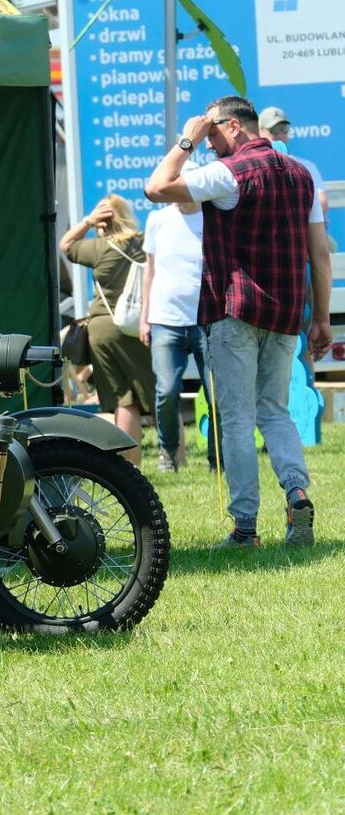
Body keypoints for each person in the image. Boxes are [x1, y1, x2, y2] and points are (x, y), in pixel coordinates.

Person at [145, 96, 332, 549]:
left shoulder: (228, 173)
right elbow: (320, 253)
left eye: (214, 135)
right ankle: (296, 491)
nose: (210, 146)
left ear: (232, 127)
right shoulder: (301, 175)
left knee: (236, 419)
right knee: (275, 411)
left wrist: (187, 137)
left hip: (235, 312)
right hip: (287, 314)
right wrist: (321, 318)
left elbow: (156, 187)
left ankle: (245, 528)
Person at [59, 194, 155, 467]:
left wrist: (88, 221)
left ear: (103, 221)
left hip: (103, 328)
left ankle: (130, 465)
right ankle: (171, 458)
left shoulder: (98, 248)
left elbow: (65, 244)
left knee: (123, 399)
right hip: (139, 326)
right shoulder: (143, 242)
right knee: (153, 395)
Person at [138, 161, 218, 473]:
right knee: (166, 390)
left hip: (207, 321)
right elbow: (150, 271)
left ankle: (217, 461)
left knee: (216, 397)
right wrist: (145, 318)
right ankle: (169, 454)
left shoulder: (213, 219)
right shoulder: (158, 219)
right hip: (165, 320)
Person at [258, 106, 330, 226]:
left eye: (284, 129)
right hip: (265, 233)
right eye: (274, 130)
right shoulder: (252, 166)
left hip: (300, 231)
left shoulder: (307, 166)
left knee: (330, 245)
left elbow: (322, 203)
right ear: (259, 132)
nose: (280, 135)